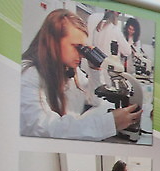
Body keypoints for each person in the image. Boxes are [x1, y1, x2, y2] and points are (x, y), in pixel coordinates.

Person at [20, 9, 142, 140]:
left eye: (83, 48)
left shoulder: (69, 70)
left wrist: (94, 69)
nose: (82, 54)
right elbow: (43, 128)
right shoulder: (29, 74)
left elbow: (94, 100)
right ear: (53, 42)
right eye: (76, 47)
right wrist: (109, 123)